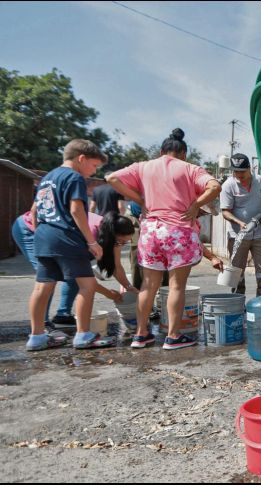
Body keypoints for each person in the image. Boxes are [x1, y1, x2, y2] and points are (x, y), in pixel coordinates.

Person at [107, 128, 221, 350]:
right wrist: (196, 205)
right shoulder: (190, 168)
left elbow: (111, 178)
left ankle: (141, 335)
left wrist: (139, 198)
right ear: (184, 154)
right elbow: (215, 186)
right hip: (179, 231)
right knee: (177, 286)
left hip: (151, 231)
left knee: (148, 286)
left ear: (161, 151)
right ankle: (173, 336)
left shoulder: (143, 167)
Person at [26, 139, 108, 351]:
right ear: (81, 158)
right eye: (94, 165)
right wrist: (91, 241)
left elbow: (34, 211)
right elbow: (76, 210)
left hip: (43, 236)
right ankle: (82, 336)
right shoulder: (74, 177)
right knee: (87, 285)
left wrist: (42, 233)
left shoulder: (47, 178)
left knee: (42, 287)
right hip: (67, 238)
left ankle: (36, 337)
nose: (93, 171)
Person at [220, 153, 261, 296]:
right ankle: (238, 303)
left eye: (242, 171)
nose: (238, 175)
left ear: (249, 168)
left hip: (258, 233)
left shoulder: (259, 181)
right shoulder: (228, 185)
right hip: (237, 235)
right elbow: (225, 212)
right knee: (237, 271)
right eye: (235, 171)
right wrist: (239, 222)